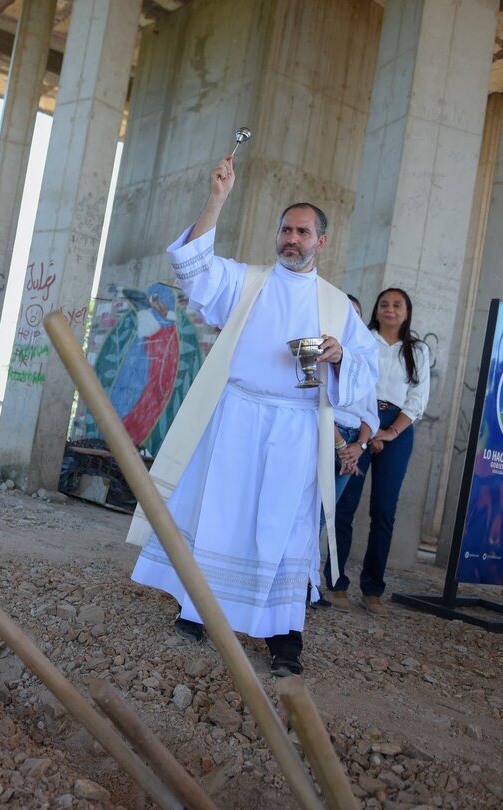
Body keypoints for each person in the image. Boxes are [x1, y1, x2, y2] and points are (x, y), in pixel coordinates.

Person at [126, 154, 378, 678]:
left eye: (303, 232)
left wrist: (339, 357)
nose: (291, 238)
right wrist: (216, 199)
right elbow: (194, 269)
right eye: (286, 229)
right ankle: (199, 610)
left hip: (295, 427)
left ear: (321, 242)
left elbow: (368, 372)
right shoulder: (247, 281)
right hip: (237, 417)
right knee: (222, 513)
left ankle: (286, 637)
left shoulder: (338, 306)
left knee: (286, 529)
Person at [326, 288, 430, 615]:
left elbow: (418, 399)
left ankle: (373, 590)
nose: (390, 309)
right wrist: (369, 433)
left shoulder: (419, 351)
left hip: (397, 428)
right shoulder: (362, 340)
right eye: (384, 303)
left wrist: (389, 432)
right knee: (345, 504)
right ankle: (335, 583)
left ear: (407, 312)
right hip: (360, 423)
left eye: (397, 305)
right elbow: (357, 387)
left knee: (384, 510)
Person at [312, 294, 378, 609]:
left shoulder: (364, 361)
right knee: (306, 513)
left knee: (324, 516)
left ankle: (308, 586)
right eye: (344, 313)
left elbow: (370, 415)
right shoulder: (317, 351)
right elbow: (316, 403)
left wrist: (358, 448)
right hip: (326, 433)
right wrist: (341, 447)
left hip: (352, 443)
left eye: (356, 314)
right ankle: (295, 586)